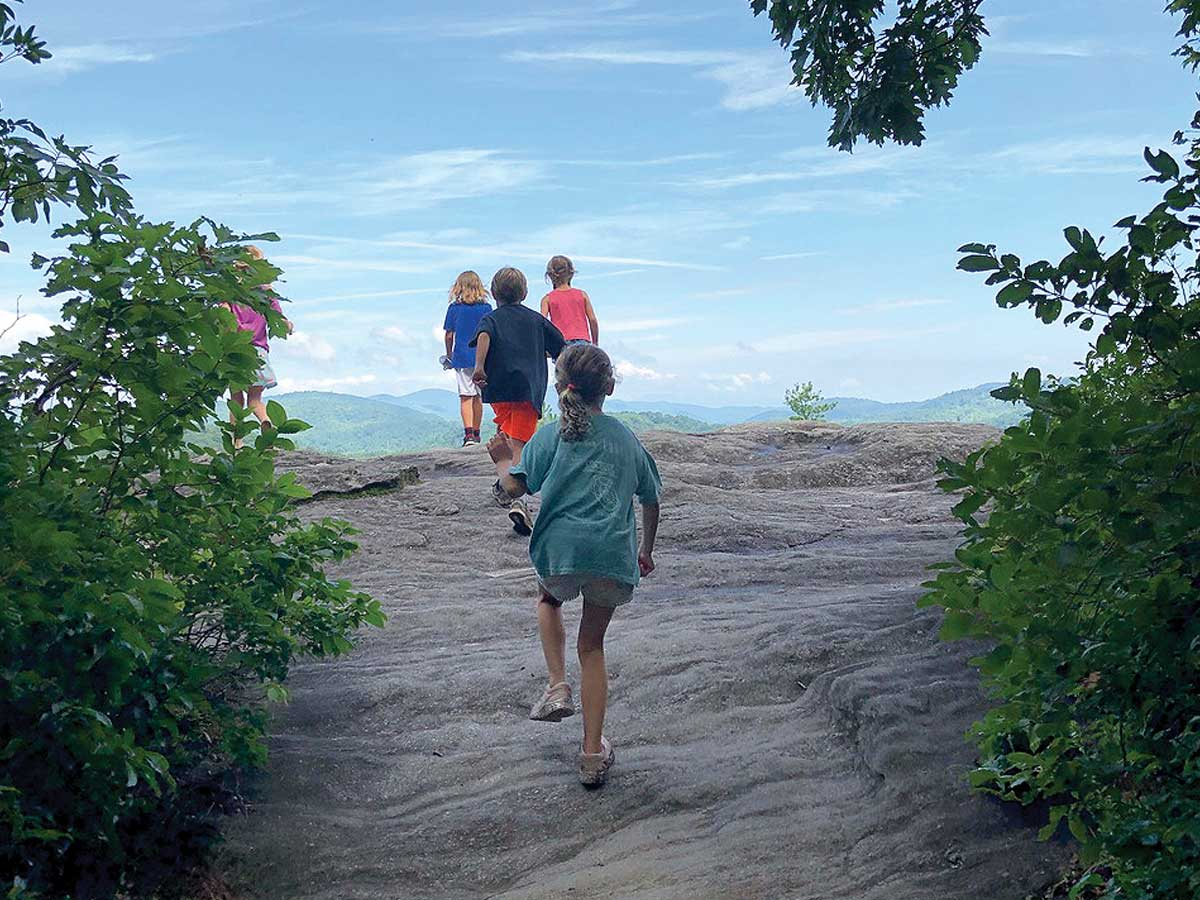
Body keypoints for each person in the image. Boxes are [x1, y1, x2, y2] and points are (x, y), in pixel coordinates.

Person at [494, 344, 661, 788]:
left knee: (549, 600)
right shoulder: (625, 437)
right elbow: (651, 498)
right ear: (609, 387)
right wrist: (646, 550)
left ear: (560, 385)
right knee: (592, 646)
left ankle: (555, 685)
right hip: (610, 554)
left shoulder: (551, 435)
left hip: (561, 551)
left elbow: (513, 487)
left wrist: (501, 461)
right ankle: (591, 754)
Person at [471, 267, 565, 535]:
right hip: (527, 389)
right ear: (524, 293)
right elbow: (560, 345)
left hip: (499, 389)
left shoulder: (491, 318)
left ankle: (505, 486)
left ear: (494, 293)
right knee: (519, 443)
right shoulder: (535, 320)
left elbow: (484, 337)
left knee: (508, 437)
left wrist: (479, 366)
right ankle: (519, 499)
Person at [224, 246, 293, 448]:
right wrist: (286, 324)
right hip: (259, 351)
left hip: (235, 349)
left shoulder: (229, 290)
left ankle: (236, 442)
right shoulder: (265, 292)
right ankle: (265, 421)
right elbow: (278, 316)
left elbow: (223, 311)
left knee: (236, 397)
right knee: (255, 399)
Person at [441, 271, 493, 447]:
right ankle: (477, 434)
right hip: (483, 357)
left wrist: (449, 354)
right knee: (479, 396)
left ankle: (469, 435)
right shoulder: (486, 309)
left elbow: (449, 335)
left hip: (462, 357)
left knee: (465, 396)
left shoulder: (454, 309)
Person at [540, 255, 599, 345]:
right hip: (583, 342)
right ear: (571, 273)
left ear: (550, 276)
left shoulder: (547, 299)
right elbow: (593, 320)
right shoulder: (582, 295)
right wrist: (595, 343)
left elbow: (542, 324)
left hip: (560, 342)